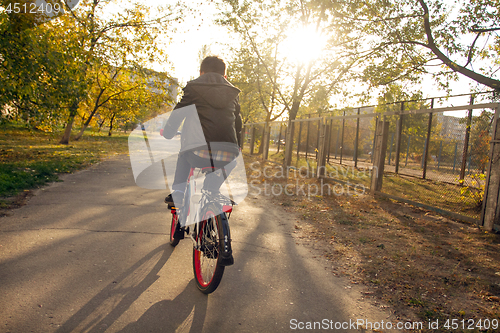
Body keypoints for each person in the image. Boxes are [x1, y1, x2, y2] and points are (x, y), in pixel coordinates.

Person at [161, 56, 242, 206]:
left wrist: (168, 133)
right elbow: (237, 121)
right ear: (225, 76)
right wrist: (238, 145)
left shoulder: (194, 88)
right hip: (228, 156)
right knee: (231, 162)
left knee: (184, 154)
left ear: (201, 73)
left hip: (197, 153)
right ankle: (212, 189)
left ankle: (178, 193)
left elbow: (179, 112)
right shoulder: (233, 93)